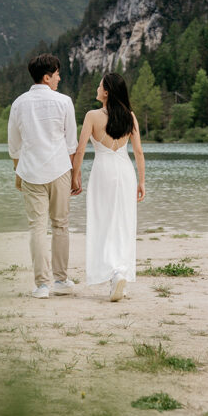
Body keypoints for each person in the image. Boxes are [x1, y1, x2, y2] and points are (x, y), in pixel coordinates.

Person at [7, 53, 79, 299]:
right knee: (60, 225)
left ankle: (42, 286)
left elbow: (14, 145)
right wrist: (73, 175)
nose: (59, 78)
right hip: (60, 170)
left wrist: (19, 172)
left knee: (37, 228)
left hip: (30, 172)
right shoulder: (64, 102)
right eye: (57, 74)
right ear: (47, 77)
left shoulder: (18, 103)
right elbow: (72, 145)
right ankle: (60, 279)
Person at [71, 72, 145, 302]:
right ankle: (120, 271)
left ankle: (114, 273)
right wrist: (142, 181)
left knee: (102, 221)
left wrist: (76, 175)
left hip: (103, 172)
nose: (96, 87)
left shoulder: (92, 116)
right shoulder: (130, 117)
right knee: (123, 223)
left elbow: (81, 149)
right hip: (125, 172)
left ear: (107, 92)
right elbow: (139, 152)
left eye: (100, 85)